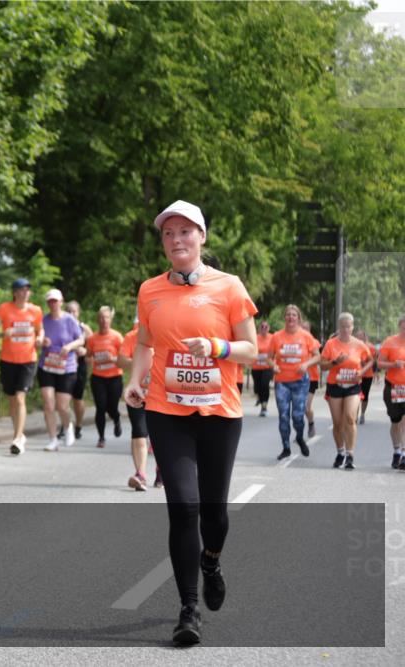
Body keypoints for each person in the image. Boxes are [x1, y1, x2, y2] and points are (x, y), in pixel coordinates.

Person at [124, 200, 257, 646]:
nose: (176, 240)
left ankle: (212, 560)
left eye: (185, 232)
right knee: (184, 507)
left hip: (220, 412)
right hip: (167, 410)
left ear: (201, 236)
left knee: (214, 514)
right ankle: (188, 609)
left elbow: (251, 350)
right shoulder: (149, 290)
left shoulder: (229, 287)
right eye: (168, 234)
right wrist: (135, 380)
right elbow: (144, 342)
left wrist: (217, 348)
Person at [0, 278, 43, 454]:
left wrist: (40, 338)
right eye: (21, 290)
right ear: (14, 292)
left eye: (27, 290)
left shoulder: (35, 311)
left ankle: (17, 438)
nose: (25, 293)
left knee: (20, 398)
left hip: (28, 360)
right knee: (12, 400)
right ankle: (19, 435)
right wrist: (3, 334)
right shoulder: (4, 309)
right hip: (7, 360)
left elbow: (40, 329)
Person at [320, 313, 373, 470]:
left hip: (353, 386)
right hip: (335, 385)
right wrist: (335, 362)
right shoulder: (331, 344)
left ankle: (350, 455)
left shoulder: (359, 344)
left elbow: (371, 360)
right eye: (342, 326)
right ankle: (340, 452)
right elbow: (322, 365)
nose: (345, 329)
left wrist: (361, 372)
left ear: (352, 327)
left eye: (348, 326)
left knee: (350, 418)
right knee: (337, 423)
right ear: (339, 327)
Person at [268, 305, 320, 460]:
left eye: (294, 315)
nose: (291, 317)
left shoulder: (306, 336)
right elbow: (269, 358)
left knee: (297, 415)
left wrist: (306, 365)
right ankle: (286, 447)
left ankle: (299, 436)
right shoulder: (276, 337)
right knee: (283, 416)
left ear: (298, 318)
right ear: (285, 318)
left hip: (300, 381)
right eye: (288, 315)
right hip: (282, 382)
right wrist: (274, 366)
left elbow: (318, 356)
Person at [118, 314, 161, 490]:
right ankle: (140, 474)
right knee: (139, 431)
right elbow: (120, 360)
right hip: (137, 392)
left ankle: (161, 470)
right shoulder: (131, 337)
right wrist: (139, 362)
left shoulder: (164, 335)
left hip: (159, 395)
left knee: (159, 436)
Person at [38, 289, 84, 450]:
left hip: (67, 366)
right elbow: (37, 339)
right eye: (50, 301)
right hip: (47, 365)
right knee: (49, 403)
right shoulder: (44, 320)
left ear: (61, 302)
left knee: (62, 406)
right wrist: (42, 341)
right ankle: (53, 439)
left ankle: (67, 425)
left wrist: (69, 346)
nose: (53, 304)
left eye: (55, 301)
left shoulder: (69, 320)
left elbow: (81, 339)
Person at [86, 306, 124, 448]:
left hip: (114, 377)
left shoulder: (117, 337)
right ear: (98, 320)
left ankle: (116, 418)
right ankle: (101, 437)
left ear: (110, 319)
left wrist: (112, 358)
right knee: (100, 407)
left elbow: (124, 358)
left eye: (106, 317)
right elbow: (88, 355)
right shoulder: (92, 338)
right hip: (98, 377)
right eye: (101, 318)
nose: (103, 320)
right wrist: (88, 358)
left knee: (112, 406)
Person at [377, 315, 405, 470]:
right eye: (404, 326)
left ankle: (404, 455)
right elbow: (379, 363)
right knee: (396, 422)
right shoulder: (390, 342)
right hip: (393, 387)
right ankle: (396, 451)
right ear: (400, 326)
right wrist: (394, 364)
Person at [66, 300, 93, 441]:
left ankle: (79, 425)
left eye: (74, 311)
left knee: (77, 398)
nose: (71, 314)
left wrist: (85, 351)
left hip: (80, 366)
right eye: (68, 311)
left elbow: (94, 347)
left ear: (78, 312)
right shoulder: (62, 326)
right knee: (64, 398)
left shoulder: (85, 329)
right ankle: (66, 426)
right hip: (65, 366)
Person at [302, 319, 322, 438]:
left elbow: (319, 358)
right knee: (299, 407)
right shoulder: (296, 341)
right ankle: (300, 432)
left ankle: (311, 423)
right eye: (302, 328)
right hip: (298, 378)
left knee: (306, 406)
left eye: (306, 329)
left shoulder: (315, 342)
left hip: (312, 378)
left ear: (310, 330)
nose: (304, 331)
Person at [251, 320, 274, 417]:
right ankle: (259, 399)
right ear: (259, 328)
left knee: (265, 384)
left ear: (268, 328)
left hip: (267, 366)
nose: (264, 328)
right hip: (256, 367)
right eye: (262, 327)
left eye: (266, 327)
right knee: (257, 387)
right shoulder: (255, 338)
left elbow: (276, 351)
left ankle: (264, 407)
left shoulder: (272, 338)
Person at [357, 330, 378, 425]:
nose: (359, 338)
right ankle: (354, 415)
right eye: (357, 337)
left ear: (365, 337)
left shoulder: (371, 347)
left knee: (364, 396)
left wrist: (375, 372)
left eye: (360, 336)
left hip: (368, 375)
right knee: (356, 395)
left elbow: (374, 361)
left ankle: (362, 414)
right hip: (356, 375)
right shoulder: (354, 346)